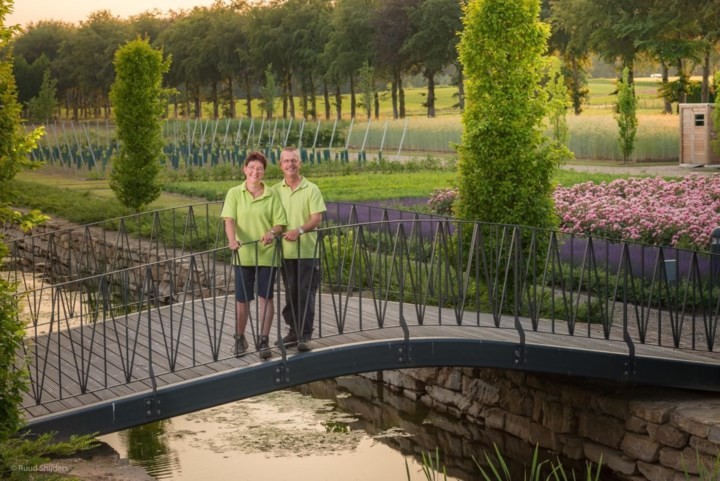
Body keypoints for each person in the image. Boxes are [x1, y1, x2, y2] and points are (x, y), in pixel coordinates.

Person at [221, 151, 286, 359]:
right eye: (252, 168)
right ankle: (240, 338)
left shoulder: (272, 194)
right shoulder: (234, 193)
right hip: (243, 254)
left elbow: (280, 224)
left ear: (263, 172)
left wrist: (272, 232)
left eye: (259, 169)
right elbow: (229, 220)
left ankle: (263, 340)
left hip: (267, 255)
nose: (255, 172)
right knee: (242, 300)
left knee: (265, 298)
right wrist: (232, 240)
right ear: (245, 170)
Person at [274, 146, 326, 352]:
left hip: (307, 251)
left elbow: (316, 219)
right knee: (291, 292)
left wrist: (299, 230)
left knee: (305, 292)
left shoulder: (311, 189)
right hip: (285, 252)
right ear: (280, 165)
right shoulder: (275, 191)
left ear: (300, 163)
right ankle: (293, 331)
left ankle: (304, 334)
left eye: (294, 160)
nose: (290, 164)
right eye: (286, 161)